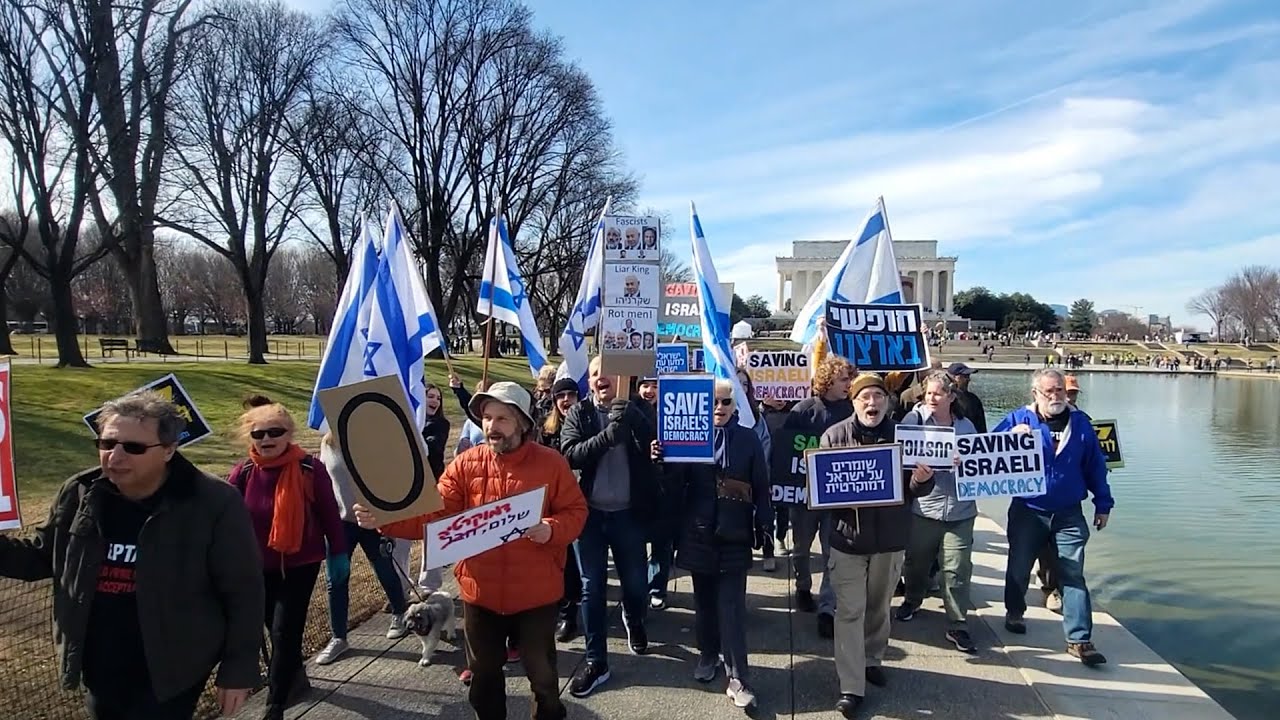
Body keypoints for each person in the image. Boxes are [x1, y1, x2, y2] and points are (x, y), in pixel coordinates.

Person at [0, 390, 263, 719]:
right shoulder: (81, 493)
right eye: (107, 444)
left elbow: (244, 591)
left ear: (168, 449)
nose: (115, 456)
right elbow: (42, 557)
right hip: (99, 665)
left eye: (133, 447)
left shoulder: (212, 502)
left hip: (172, 670)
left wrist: (237, 671)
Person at [355, 382, 588, 720]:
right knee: (483, 680)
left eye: (503, 419)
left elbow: (576, 512)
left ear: (523, 423)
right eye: (487, 418)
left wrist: (552, 528)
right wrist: (387, 520)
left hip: (536, 594)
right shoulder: (466, 464)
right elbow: (435, 515)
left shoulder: (552, 464)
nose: (492, 426)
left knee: (544, 679)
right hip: (481, 593)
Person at [822, 374, 936, 717]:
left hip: (890, 540)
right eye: (864, 398)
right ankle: (851, 686)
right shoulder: (834, 436)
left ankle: (872, 658)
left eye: (877, 397)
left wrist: (921, 479)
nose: (871, 404)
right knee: (849, 611)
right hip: (847, 542)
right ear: (853, 402)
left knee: (878, 608)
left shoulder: (906, 436)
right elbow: (821, 488)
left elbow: (917, 490)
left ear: (887, 401)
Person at [655, 379, 772, 710]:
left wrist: (766, 525)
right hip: (697, 531)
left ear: (735, 406)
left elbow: (762, 486)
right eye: (713, 403)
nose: (718, 408)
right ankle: (708, 654)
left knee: (731, 608)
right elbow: (674, 485)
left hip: (734, 534)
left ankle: (739, 677)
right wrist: (662, 459)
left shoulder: (748, 440)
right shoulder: (689, 439)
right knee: (704, 604)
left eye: (725, 402)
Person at [228, 395, 346, 720]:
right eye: (259, 434)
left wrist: (338, 554)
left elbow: (329, 515)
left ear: (288, 434)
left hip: (300, 564)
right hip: (256, 567)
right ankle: (295, 678)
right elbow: (226, 522)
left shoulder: (310, 468)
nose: (267, 439)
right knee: (273, 630)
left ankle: (275, 705)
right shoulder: (242, 473)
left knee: (284, 632)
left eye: (275, 432)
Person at [997, 368, 1113, 667]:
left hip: (1068, 511)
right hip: (1028, 508)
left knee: (1072, 572)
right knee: (1019, 566)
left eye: (1059, 390)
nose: (1055, 396)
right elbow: (985, 452)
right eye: (1048, 391)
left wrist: (1103, 503)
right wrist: (1009, 439)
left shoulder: (1083, 424)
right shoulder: (1016, 419)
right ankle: (1014, 610)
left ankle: (1079, 639)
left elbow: (1095, 467)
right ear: (1035, 393)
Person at [561, 356, 660, 697]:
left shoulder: (638, 408)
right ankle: (596, 661)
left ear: (622, 378)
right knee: (592, 588)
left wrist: (630, 419)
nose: (600, 379)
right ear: (587, 382)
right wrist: (608, 436)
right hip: (587, 516)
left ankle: (633, 617)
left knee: (635, 584)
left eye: (607, 373)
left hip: (628, 515)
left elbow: (655, 440)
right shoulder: (580, 413)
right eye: (593, 374)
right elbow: (570, 454)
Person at [895, 371, 980, 653]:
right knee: (917, 563)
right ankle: (912, 599)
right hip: (924, 507)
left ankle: (959, 623)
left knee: (956, 569)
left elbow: (981, 463)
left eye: (938, 394)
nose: (932, 398)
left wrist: (964, 462)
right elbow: (901, 457)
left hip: (960, 509)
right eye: (928, 393)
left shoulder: (966, 426)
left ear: (951, 397)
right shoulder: (913, 421)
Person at [312, 432, 411, 666]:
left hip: (371, 520)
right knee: (335, 579)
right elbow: (326, 483)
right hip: (341, 525)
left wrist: (387, 518)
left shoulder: (370, 436)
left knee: (384, 569)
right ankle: (339, 638)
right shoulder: (328, 444)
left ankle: (400, 613)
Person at [784, 353, 855, 637]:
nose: (848, 384)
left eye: (850, 379)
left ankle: (827, 607)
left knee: (832, 553)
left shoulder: (853, 410)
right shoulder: (803, 410)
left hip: (836, 496)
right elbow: (786, 453)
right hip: (803, 495)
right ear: (827, 381)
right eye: (843, 379)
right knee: (801, 548)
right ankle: (803, 586)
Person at [539, 377, 585, 642]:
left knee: (575, 566)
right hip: (551, 504)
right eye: (561, 396)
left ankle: (571, 615)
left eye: (571, 394)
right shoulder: (546, 430)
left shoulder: (584, 424)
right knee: (555, 562)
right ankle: (556, 608)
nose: (566, 400)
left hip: (578, 502)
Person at [734, 368, 775, 571]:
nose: (740, 387)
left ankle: (768, 549)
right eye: (736, 382)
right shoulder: (717, 411)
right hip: (731, 480)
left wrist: (760, 473)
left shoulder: (756, 416)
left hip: (755, 475)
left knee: (764, 515)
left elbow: (765, 444)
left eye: (744, 384)